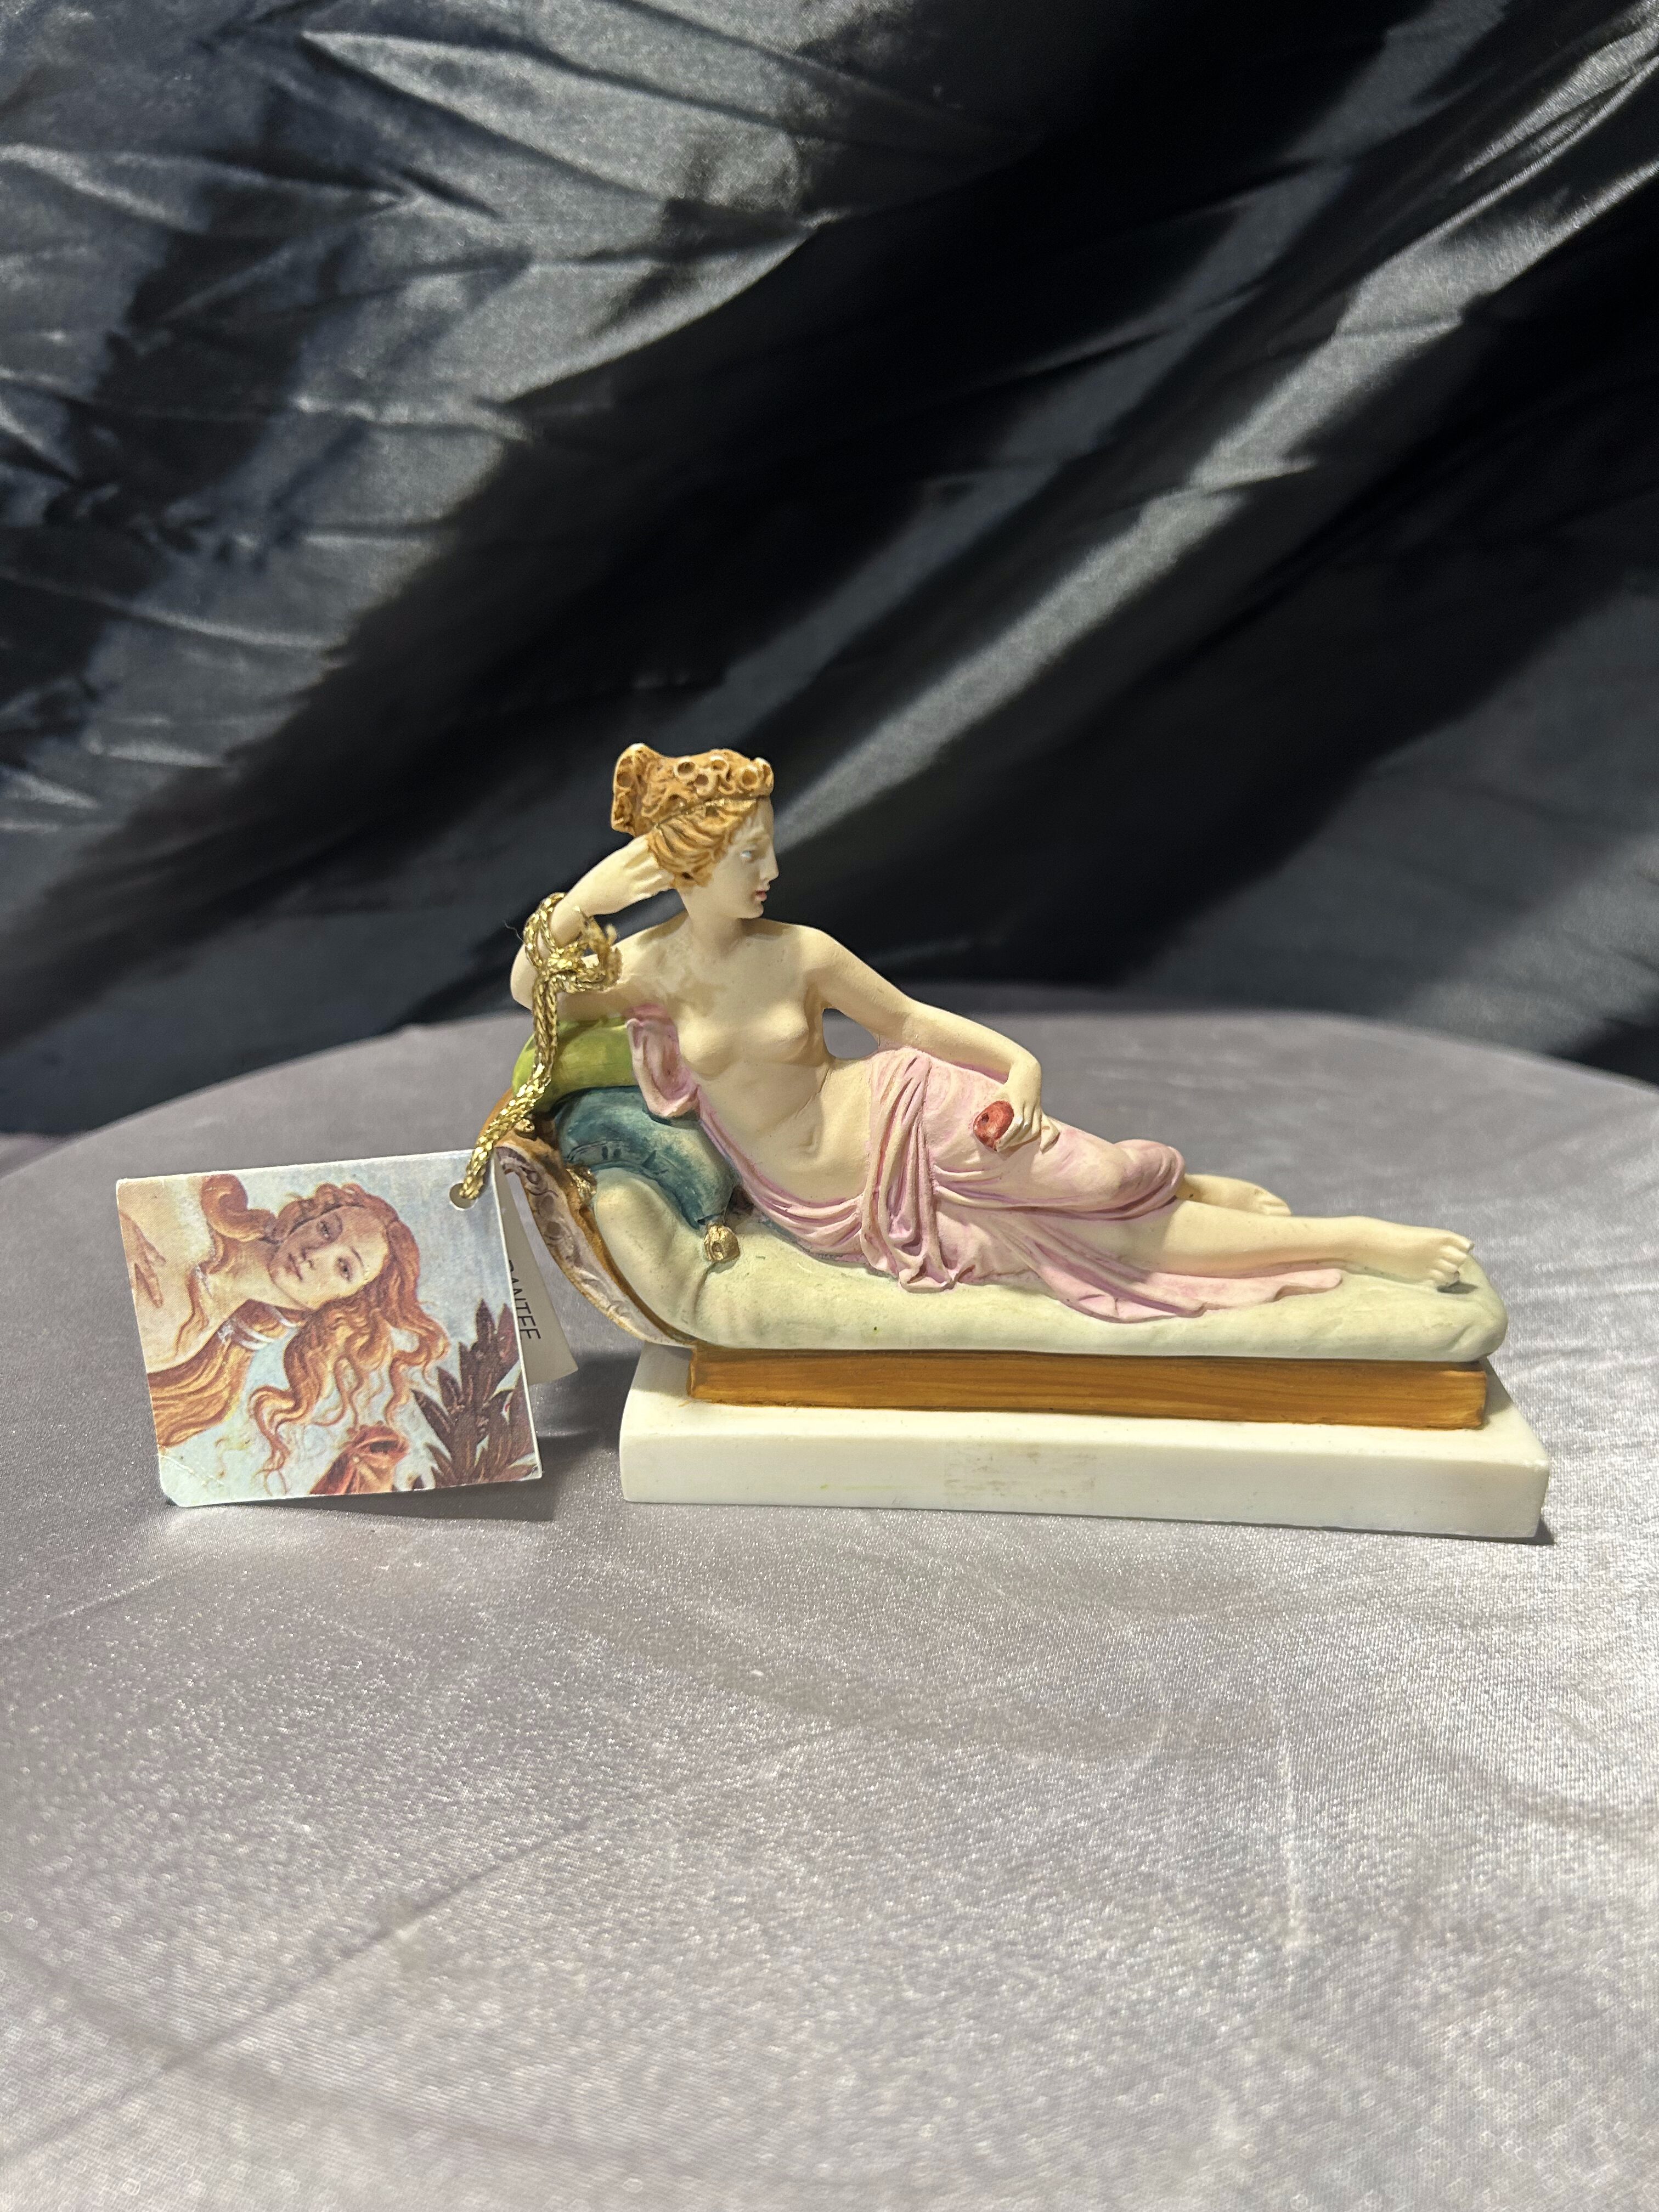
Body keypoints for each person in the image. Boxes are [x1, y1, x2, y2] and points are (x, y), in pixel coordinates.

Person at [506, 745, 1472, 1324]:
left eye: (771, 847)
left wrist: (1020, 1062)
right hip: (833, 1201)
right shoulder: (647, 970)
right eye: (750, 854)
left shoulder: (800, 951)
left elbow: (907, 1022)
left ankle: (1346, 1236)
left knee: (1096, 1189)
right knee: (1088, 1241)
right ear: (687, 864)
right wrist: (585, 900)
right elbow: (530, 991)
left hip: (901, 1113)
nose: (772, 871)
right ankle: (1246, 1212)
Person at [119, 1172, 448, 1465]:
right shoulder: (199, 1195)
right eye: (326, 1229)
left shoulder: (180, 1341)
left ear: (343, 1305)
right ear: (307, 1221)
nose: (315, 1254)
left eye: (344, 1268)